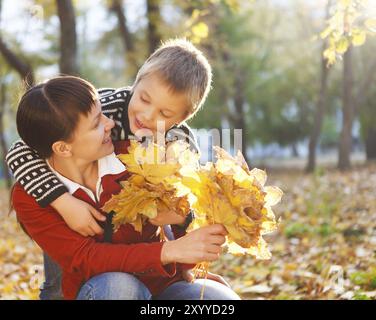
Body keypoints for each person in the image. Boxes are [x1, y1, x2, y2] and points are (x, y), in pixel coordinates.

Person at [6, 39, 212, 298]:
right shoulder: (106, 107)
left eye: (164, 113)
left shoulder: (160, 147)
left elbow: (187, 188)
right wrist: (61, 201)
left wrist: (183, 217)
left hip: (150, 269)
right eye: (144, 99)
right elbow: (21, 149)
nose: (148, 116)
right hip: (90, 265)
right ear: (135, 84)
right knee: (61, 281)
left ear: (180, 119)